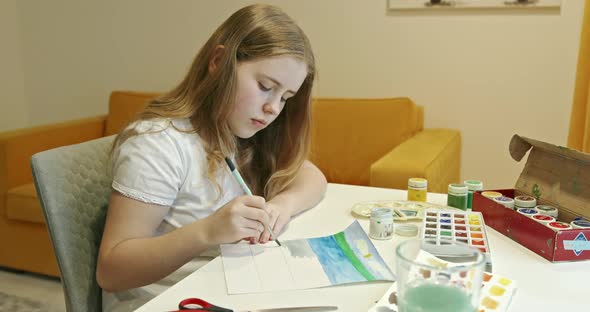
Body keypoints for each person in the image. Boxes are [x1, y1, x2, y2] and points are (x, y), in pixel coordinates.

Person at [96, 4, 327, 311]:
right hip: (162, 302)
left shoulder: (239, 133)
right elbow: (112, 270)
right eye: (265, 87)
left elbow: (312, 176)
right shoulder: (158, 145)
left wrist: (281, 207)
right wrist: (207, 231)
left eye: (285, 97)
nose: (273, 107)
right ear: (219, 61)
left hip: (223, 290)